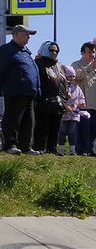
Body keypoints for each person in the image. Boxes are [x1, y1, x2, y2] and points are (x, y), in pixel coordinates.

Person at [0, 24, 41, 155]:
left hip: (29, 92)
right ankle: (10, 144)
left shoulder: (25, 52)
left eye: (29, 34)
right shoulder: (7, 50)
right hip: (14, 91)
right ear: (15, 35)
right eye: (25, 34)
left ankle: (26, 146)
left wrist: (37, 89)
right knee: (13, 119)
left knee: (28, 121)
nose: (28, 37)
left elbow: (33, 71)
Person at [71, 41, 96, 157]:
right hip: (83, 104)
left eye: (93, 52)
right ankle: (82, 150)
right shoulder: (76, 64)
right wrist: (89, 68)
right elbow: (77, 76)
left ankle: (89, 150)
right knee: (83, 129)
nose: (92, 55)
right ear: (82, 53)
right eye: (89, 52)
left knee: (93, 129)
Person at [32, 41, 68, 154]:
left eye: (56, 51)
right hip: (43, 100)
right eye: (51, 50)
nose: (54, 53)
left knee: (55, 128)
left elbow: (63, 82)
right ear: (45, 50)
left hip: (58, 101)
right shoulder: (38, 63)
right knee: (42, 126)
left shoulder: (59, 65)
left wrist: (64, 100)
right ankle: (39, 148)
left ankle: (52, 148)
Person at [57, 65, 86, 155]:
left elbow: (81, 98)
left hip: (74, 115)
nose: (71, 78)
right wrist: (66, 106)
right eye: (69, 76)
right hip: (64, 114)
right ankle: (61, 147)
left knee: (72, 132)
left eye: (73, 76)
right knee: (62, 130)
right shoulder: (63, 87)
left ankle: (72, 149)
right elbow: (61, 98)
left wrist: (82, 104)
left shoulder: (77, 88)